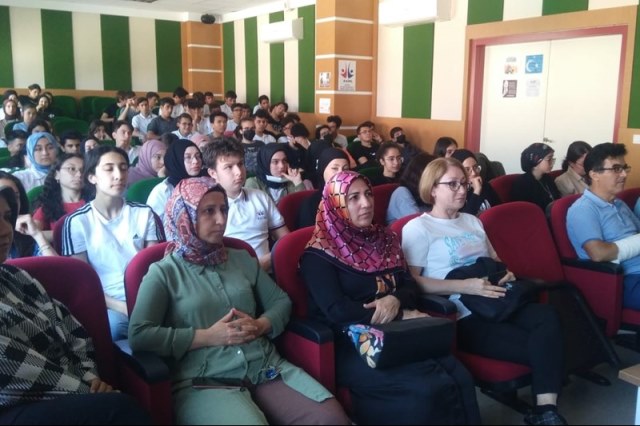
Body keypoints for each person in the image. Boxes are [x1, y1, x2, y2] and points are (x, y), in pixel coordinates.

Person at [128, 177, 349, 425]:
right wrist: (206, 336)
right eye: (208, 211)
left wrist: (261, 325)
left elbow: (280, 302)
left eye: (223, 209)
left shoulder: (241, 258)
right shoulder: (164, 273)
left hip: (264, 366)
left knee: (331, 419)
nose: (221, 220)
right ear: (184, 216)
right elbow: (139, 334)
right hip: (206, 380)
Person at [299, 170, 480, 425]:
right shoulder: (318, 255)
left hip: (401, 332)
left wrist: (394, 300)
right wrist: (399, 312)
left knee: (460, 376)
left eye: (368, 194)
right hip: (352, 341)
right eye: (353, 198)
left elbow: (409, 286)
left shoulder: (385, 238)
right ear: (335, 204)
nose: (366, 203)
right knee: (424, 390)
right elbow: (338, 311)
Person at [401, 158, 566, 426]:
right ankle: (546, 406)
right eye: (452, 184)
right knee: (543, 345)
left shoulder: (472, 221)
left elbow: (496, 260)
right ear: (432, 189)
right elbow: (412, 282)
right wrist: (465, 286)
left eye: (464, 184)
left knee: (548, 316)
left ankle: (545, 410)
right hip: (464, 313)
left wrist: (506, 273)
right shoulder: (418, 228)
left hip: (499, 299)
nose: (462, 190)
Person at [0, 186, 152, 425]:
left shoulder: (16, 277)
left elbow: (72, 330)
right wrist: (85, 390)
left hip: (69, 389)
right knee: (118, 411)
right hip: (14, 403)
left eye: (7, 217)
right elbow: (13, 369)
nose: (5, 230)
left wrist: (91, 378)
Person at [62, 145, 164, 340]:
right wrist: (124, 307)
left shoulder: (143, 213)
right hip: (108, 302)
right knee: (116, 327)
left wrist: (147, 304)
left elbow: (155, 267)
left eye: (123, 168)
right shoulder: (77, 222)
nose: (119, 175)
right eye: (109, 169)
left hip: (147, 294)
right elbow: (82, 281)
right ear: (92, 177)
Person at [568, 143, 640, 310]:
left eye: (624, 168)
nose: (624, 174)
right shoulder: (583, 209)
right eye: (616, 169)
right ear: (594, 174)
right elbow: (598, 254)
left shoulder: (619, 204)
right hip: (626, 280)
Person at [202, 138, 289, 272]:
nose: (239, 172)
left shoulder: (260, 197)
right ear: (213, 173)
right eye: (229, 167)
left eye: (240, 164)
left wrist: (272, 258)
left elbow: (285, 238)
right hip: (231, 275)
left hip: (268, 271)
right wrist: (254, 267)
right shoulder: (206, 209)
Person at [0, 171, 57, 258]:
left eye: (14, 197)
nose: (7, 202)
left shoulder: (25, 234)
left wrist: (36, 234)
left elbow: (55, 265)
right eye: (2, 195)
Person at [32, 153, 88, 241]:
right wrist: (68, 234)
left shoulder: (94, 203)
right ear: (57, 174)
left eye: (83, 170)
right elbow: (32, 234)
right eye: (72, 169)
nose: (79, 174)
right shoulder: (48, 206)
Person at [146, 140, 204, 222]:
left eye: (198, 156)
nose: (195, 161)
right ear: (177, 160)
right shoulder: (163, 192)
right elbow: (155, 224)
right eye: (188, 157)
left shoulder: (206, 183)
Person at [297, 148, 350, 229]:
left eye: (345, 169)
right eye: (335, 168)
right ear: (322, 170)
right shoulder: (310, 205)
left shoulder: (356, 196)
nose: (341, 173)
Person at [386, 152, 435, 225]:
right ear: (421, 174)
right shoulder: (402, 193)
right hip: (404, 231)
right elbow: (419, 223)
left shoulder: (428, 192)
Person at [511, 143, 561, 212]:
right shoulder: (522, 184)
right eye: (549, 159)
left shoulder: (547, 178)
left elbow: (557, 199)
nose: (552, 162)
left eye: (553, 158)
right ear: (536, 161)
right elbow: (523, 210)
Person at [451, 149, 501, 215]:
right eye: (467, 169)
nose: (474, 173)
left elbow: (500, 210)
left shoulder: (485, 186)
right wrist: (477, 191)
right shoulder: (454, 192)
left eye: (475, 167)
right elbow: (466, 218)